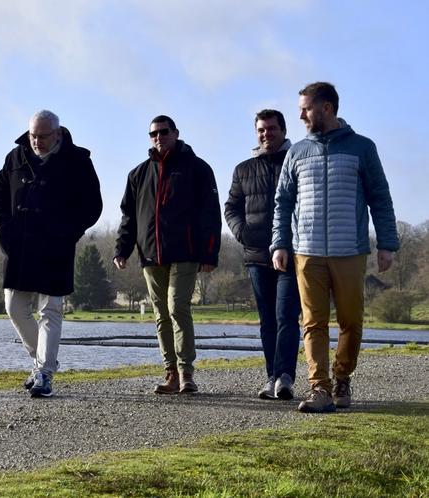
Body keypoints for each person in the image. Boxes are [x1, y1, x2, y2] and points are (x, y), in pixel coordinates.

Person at [271, 82, 399, 413]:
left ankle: (342, 377)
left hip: (349, 251)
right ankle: (320, 388)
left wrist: (387, 244)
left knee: (351, 321)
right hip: (306, 251)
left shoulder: (362, 148)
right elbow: (283, 202)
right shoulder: (296, 152)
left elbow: (379, 198)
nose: (300, 114)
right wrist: (280, 243)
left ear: (326, 108)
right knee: (312, 322)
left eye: (306, 108)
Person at [0, 110, 102, 398]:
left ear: (58, 133)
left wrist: (68, 233)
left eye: (42, 136)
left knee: (50, 311)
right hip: (19, 245)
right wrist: (4, 227)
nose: (36, 142)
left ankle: (44, 372)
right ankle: (44, 360)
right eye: (32, 136)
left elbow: (93, 205)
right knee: (14, 306)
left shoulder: (78, 160)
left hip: (56, 247)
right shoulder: (15, 157)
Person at [114, 115, 221, 394]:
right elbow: (129, 217)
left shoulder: (197, 169)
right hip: (150, 254)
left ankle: (187, 372)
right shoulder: (138, 174)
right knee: (161, 314)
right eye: (153, 134)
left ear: (176, 133)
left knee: (177, 307)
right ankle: (171, 373)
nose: (158, 137)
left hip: (185, 253)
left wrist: (210, 253)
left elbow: (211, 214)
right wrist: (122, 249)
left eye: (163, 132)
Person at [225, 110, 301, 400]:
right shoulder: (243, 169)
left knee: (286, 316)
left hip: (292, 254)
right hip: (256, 255)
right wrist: (243, 233)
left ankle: (285, 377)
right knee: (267, 320)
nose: (266, 134)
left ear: (283, 130)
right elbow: (231, 206)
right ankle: (271, 376)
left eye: (271, 128)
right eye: (261, 129)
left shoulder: (296, 162)